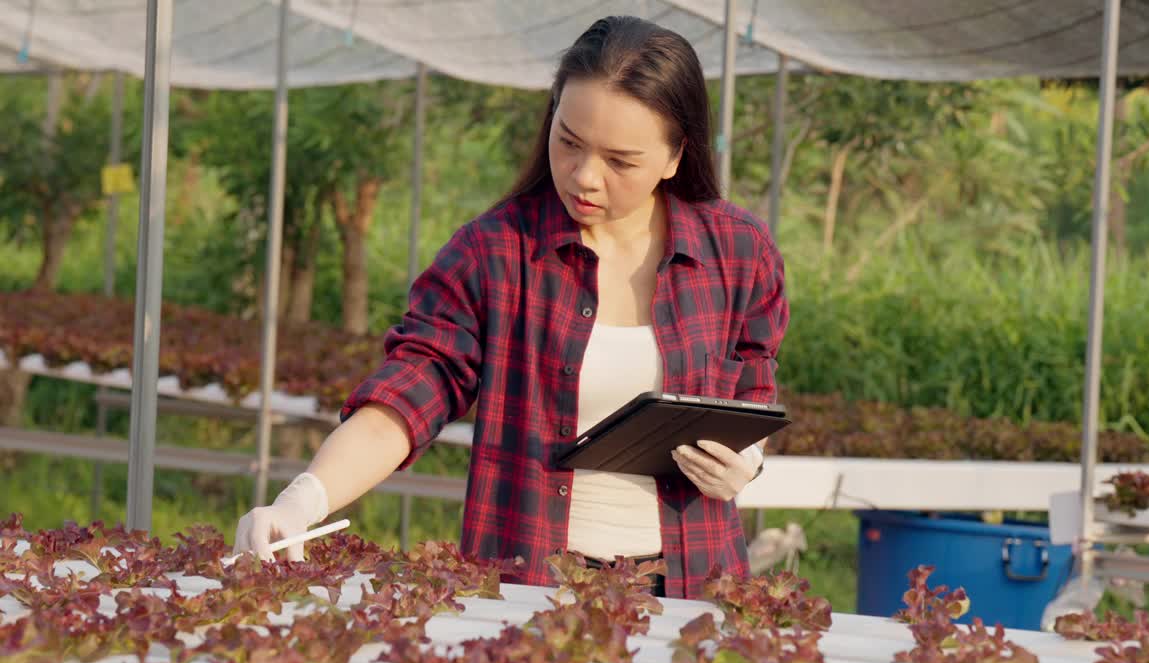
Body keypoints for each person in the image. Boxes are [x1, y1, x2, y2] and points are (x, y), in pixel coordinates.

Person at [232, 15, 789, 599]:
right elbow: (412, 389)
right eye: (568, 140)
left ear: (676, 156)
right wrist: (304, 498)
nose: (584, 177)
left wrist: (745, 458)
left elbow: (752, 395)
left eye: (620, 161)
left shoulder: (736, 252)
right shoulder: (494, 253)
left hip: (694, 588)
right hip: (529, 587)